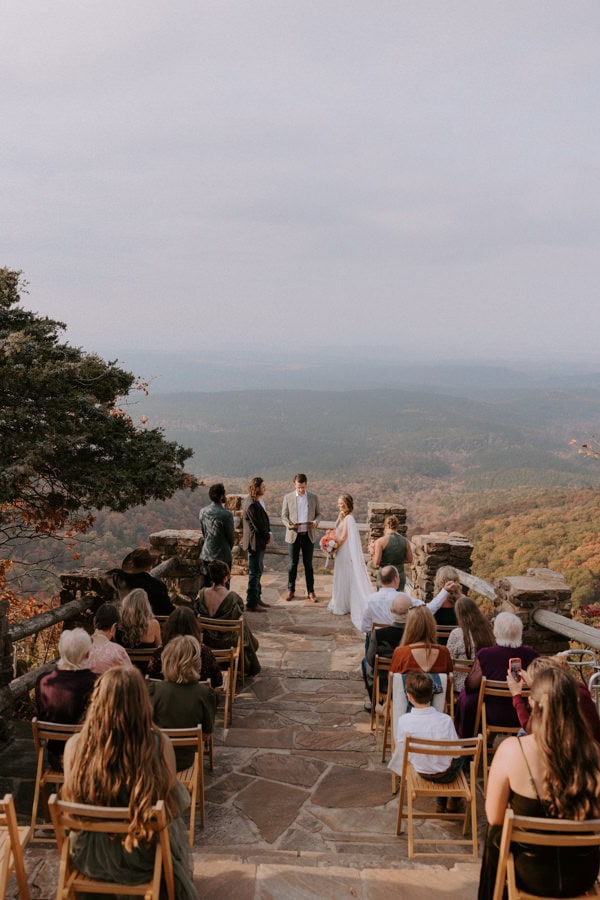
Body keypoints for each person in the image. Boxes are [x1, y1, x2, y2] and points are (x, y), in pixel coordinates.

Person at [62, 666, 197, 898]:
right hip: (141, 855)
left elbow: (74, 798)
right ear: (142, 702)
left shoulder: (74, 746)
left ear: (97, 701)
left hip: (90, 855)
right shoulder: (160, 744)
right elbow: (170, 808)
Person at [478, 666, 600, 900]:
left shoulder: (513, 750)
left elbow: (494, 816)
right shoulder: (594, 754)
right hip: (580, 877)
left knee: (495, 834)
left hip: (532, 875)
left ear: (533, 703)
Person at [388, 670, 464, 812]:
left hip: (420, 770)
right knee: (462, 754)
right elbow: (456, 754)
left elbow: (404, 752)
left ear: (409, 697)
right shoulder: (445, 720)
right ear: (432, 694)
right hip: (445, 774)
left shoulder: (404, 721)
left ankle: (442, 803)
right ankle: (451, 800)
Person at [456, 612, 538, 738]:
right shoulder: (531, 654)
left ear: (496, 632)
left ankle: (469, 742)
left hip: (492, 714)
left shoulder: (486, 655)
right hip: (522, 714)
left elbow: (470, 685)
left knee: (466, 696)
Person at [149, 636, 217, 770]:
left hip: (156, 759)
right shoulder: (205, 694)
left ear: (167, 661)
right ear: (196, 662)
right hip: (186, 761)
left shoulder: (154, 691)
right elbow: (206, 735)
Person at [35, 628, 98, 767]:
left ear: (61, 652)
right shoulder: (98, 682)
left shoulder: (43, 681)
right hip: (89, 758)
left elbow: (41, 714)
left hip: (56, 757)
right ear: (88, 654)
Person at [508, 654, 600, 743]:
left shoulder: (553, 698)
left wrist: (516, 695)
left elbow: (531, 729)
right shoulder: (576, 686)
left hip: (575, 749)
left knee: (523, 735)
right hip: (591, 745)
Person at [194, 560, 261, 677]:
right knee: (242, 626)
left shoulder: (202, 593)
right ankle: (249, 656)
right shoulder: (233, 598)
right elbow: (236, 615)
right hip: (226, 642)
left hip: (207, 640)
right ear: (225, 578)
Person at [147, 606, 223, 688]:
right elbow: (218, 682)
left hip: (168, 699)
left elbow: (152, 681)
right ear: (194, 628)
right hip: (198, 699)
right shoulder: (204, 653)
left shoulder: (161, 654)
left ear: (169, 627)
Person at [328, 494, 373, 630]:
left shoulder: (349, 518)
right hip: (341, 551)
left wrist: (333, 547)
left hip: (345, 551)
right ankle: (341, 602)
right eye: (338, 502)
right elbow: (337, 534)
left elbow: (343, 537)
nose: (339, 505)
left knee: (344, 576)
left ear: (347, 504)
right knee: (341, 576)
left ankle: (343, 605)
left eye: (341, 503)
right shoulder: (342, 517)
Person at [281, 473, 321, 602]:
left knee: (308, 565)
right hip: (294, 535)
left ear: (306, 484)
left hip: (308, 535)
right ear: (295, 485)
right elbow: (284, 516)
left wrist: (315, 522)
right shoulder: (288, 497)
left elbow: (318, 514)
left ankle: (311, 591)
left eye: (303, 487)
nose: (301, 490)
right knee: (293, 564)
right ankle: (290, 590)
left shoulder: (314, 497)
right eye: (299, 487)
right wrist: (289, 525)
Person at [446, 596, 495, 694]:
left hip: (459, 686)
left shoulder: (456, 634)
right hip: (483, 684)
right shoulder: (489, 631)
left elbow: (448, 660)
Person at [390, 606, 454, 676]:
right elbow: (449, 682)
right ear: (432, 625)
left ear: (409, 627)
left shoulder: (401, 652)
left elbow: (392, 681)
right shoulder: (444, 652)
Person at [241, 476, 271, 612]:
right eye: (263, 486)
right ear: (257, 488)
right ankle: (252, 602)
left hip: (258, 542)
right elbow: (258, 525)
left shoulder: (255, 501)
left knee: (258, 571)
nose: (265, 488)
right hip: (254, 543)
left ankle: (257, 597)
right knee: (254, 573)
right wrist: (268, 536)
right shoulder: (251, 504)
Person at [116, 588, 162, 672]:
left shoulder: (119, 624)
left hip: (124, 670)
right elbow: (159, 648)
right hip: (146, 670)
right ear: (146, 605)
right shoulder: (154, 624)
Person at [118, 547, 174, 616]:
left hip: (125, 622)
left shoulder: (120, 582)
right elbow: (167, 611)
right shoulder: (158, 586)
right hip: (152, 624)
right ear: (149, 567)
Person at [198, 483, 235, 585]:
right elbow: (231, 537)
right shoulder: (226, 515)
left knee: (206, 585)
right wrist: (228, 548)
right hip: (223, 555)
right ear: (222, 496)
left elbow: (204, 532)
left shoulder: (202, 512)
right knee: (223, 587)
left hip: (207, 554)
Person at [370, 516, 413, 590]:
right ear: (397, 526)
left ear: (386, 526)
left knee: (383, 600)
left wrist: (372, 551)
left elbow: (376, 562)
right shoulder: (405, 541)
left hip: (385, 576)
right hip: (399, 576)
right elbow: (410, 560)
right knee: (397, 600)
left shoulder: (380, 541)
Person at [88, 602, 132, 674]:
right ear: (114, 626)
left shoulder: (78, 646)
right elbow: (130, 679)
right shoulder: (118, 651)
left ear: (94, 620)